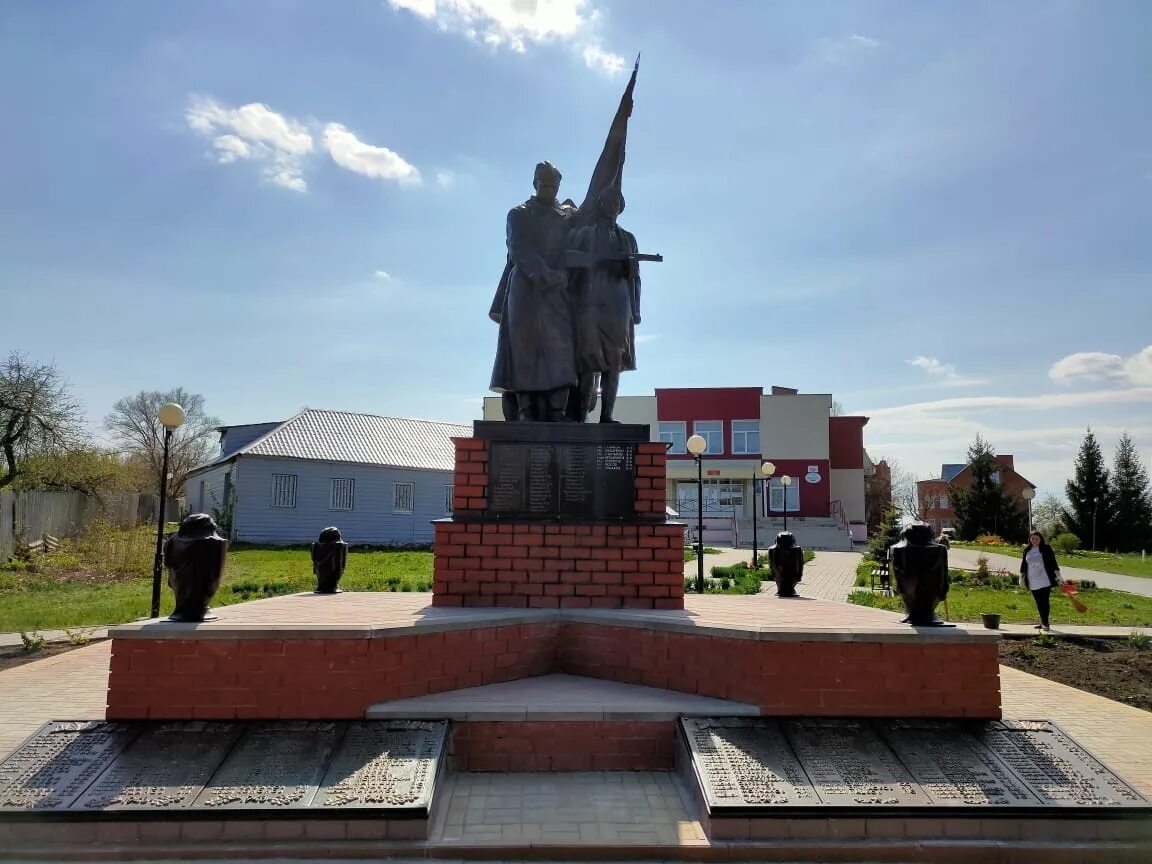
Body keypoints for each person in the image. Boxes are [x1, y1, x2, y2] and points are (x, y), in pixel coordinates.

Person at [488, 161, 580, 421]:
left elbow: (579, 242)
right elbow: (519, 248)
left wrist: (562, 276)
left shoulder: (567, 216)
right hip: (526, 288)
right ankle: (526, 409)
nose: (550, 190)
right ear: (535, 184)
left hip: (559, 291)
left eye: (554, 186)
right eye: (545, 185)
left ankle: (557, 409)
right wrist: (545, 274)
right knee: (524, 347)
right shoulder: (519, 214)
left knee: (563, 348)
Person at [567, 188, 640, 423]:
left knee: (614, 362)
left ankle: (606, 415)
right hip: (589, 302)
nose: (612, 205)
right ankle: (580, 416)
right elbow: (566, 260)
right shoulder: (585, 234)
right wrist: (590, 260)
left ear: (621, 206)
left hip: (619, 305)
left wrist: (636, 309)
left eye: (616, 201)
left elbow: (635, 277)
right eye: (607, 201)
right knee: (588, 360)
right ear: (599, 205)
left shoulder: (627, 238)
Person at [1020, 530, 1062, 631]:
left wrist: (1059, 577)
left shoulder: (1046, 548)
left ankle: (1045, 623)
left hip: (1044, 579)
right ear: (1030, 539)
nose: (1034, 540)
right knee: (1038, 602)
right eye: (1032, 538)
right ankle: (1042, 621)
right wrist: (1021, 578)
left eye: (1037, 539)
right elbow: (1023, 565)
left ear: (1040, 539)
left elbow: (1053, 563)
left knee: (1044, 601)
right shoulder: (1027, 549)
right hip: (1032, 579)